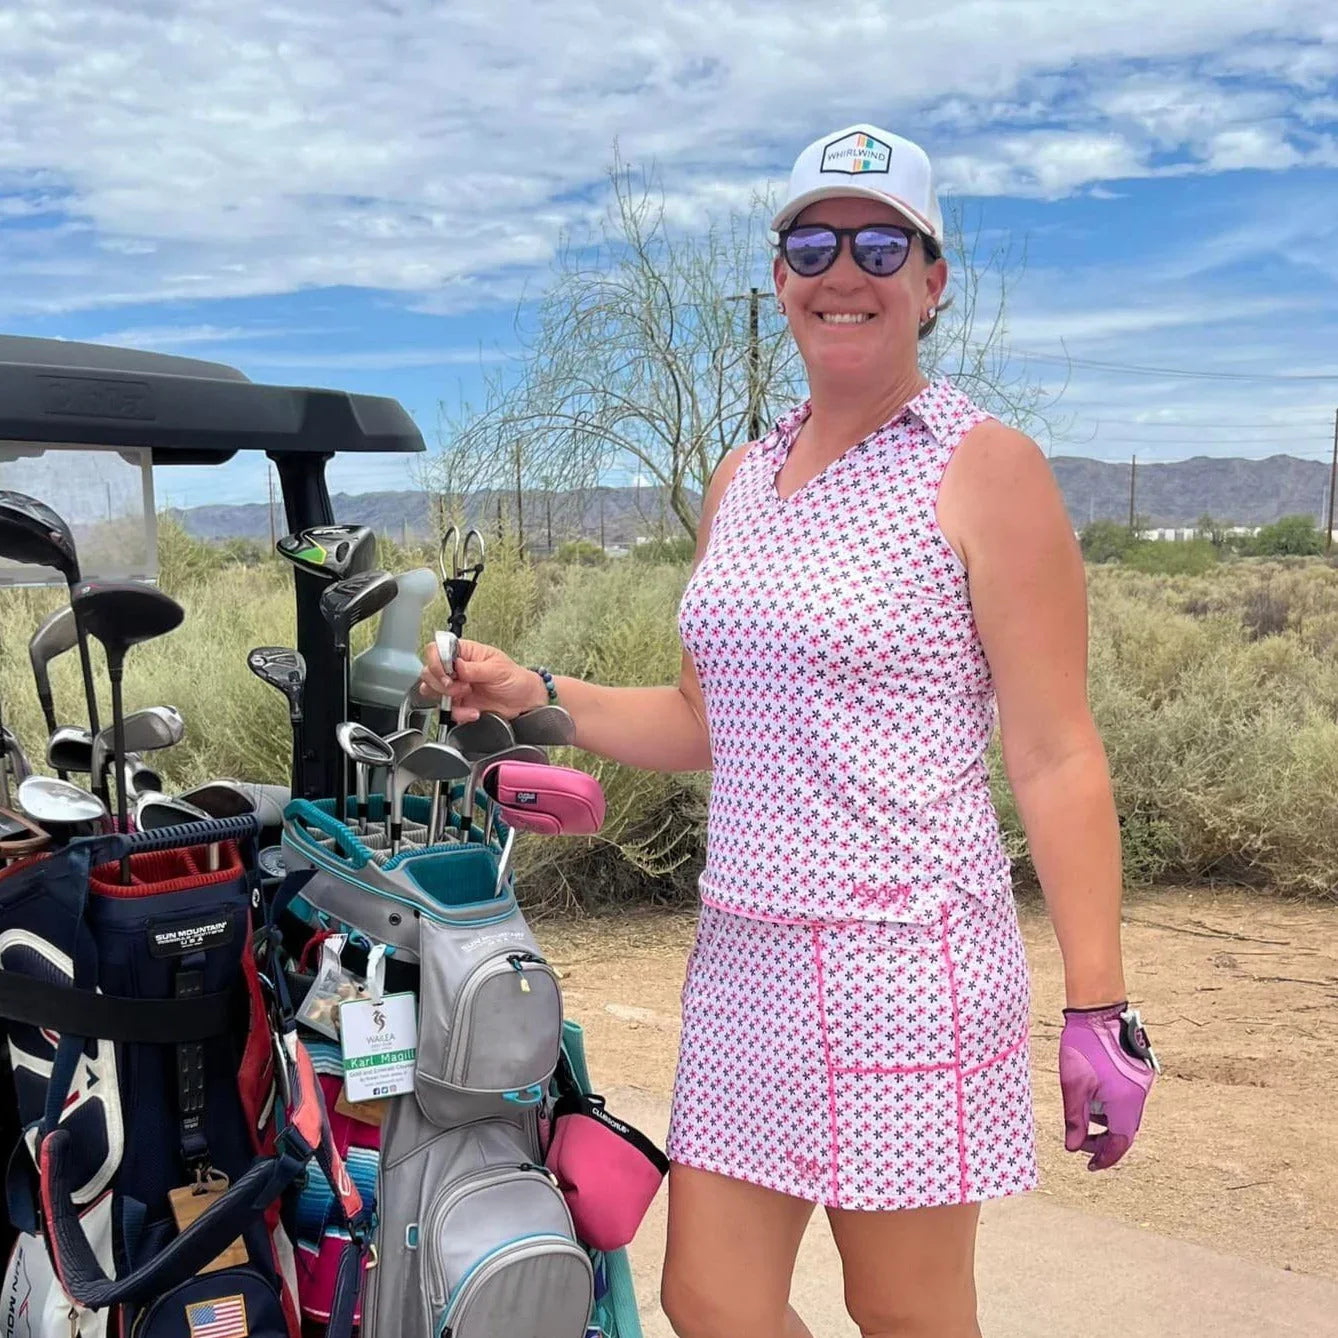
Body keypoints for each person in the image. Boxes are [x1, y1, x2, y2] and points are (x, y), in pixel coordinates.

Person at [418, 122, 1158, 1338]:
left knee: (904, 1311)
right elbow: (706, 717)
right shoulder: (740, 480)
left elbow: (1056, 751)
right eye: (810, 244)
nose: (842, 271)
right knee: (707, 1298)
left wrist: (1098, 1003)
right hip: (745, 956)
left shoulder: (985, 468)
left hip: (904, 961)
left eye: (880, 243)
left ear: (932, 281)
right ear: (777, 285)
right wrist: (532, 690)